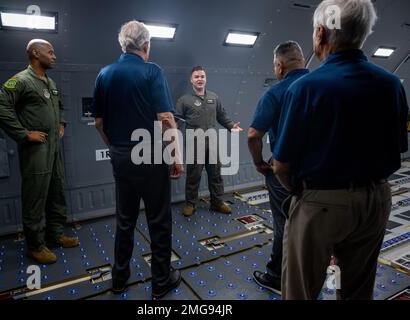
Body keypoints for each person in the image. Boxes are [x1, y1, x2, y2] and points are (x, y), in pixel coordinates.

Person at [273, 0, 409, 300]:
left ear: (321, 34)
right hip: (375, 201)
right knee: (358, 291)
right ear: (362, 33)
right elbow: (398, 152)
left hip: (320, 203)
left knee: (300, 291)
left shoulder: (306, 88)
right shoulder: (392, 85)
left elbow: (281, 165)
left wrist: (304, 193)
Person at [92, 20, 184, 300]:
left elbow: (98, 122)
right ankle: (160, 282)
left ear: (123, 45)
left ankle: (119, 279)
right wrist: (175, 156)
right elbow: (166, 119)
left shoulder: (104, 74)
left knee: (125, 219)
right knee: (159, 220)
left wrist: (119, 149)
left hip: (121, 157)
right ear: (146, 46)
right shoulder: (152, 71)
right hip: (151, 156)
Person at [0, 39, 79, 265]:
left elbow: (58, 106)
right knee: (35, 196)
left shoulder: (49, 82)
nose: (54, 56)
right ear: (34, 53)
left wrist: (61, 123)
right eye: (50, 52)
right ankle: (35, 246)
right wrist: (24, 134)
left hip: (53, 147)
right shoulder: (21, 81)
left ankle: (56, 235)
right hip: (36, 149)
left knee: (56, 191)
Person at [248, 41, 309, 295]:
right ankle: (309, 273)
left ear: (279, 66)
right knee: (311, 223)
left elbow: (253, 135)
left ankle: (275, 276)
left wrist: (260, 163)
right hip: (321, 172)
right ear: (303, 61)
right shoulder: (324, 85)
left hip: (284, 171)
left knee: (284, 223)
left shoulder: (275, 93)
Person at [175, 66, 243, 217]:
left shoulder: (214, 97)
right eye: (197, 77)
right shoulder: (184, 100)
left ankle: (217, 202)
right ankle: (190, 204)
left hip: (212, 143)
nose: (200, 79)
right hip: (194, 144)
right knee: (194, 175)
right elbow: (176, 121)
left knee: (216, 174)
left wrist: (231, 126)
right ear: (191, 80)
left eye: (202, 76)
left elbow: (222, 115)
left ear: (206, 79)